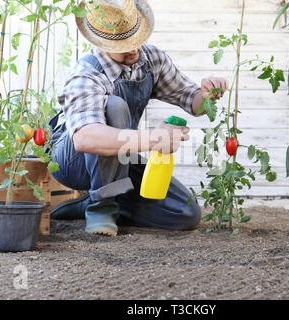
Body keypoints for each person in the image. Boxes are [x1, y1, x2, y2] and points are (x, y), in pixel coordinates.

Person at [49, 0, 228, 236]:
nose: (134, 48)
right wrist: (155, 139)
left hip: (118, 155)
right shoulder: (86, 74)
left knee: (184, 213)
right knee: (114, 106)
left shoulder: (151, 60)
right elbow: (86, 138)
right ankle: (101, 207)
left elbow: (192, 101)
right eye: (124, 44)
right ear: (102, 43)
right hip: (72, 161)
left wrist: (206, 96)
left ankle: (91, 202)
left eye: (136, 39)